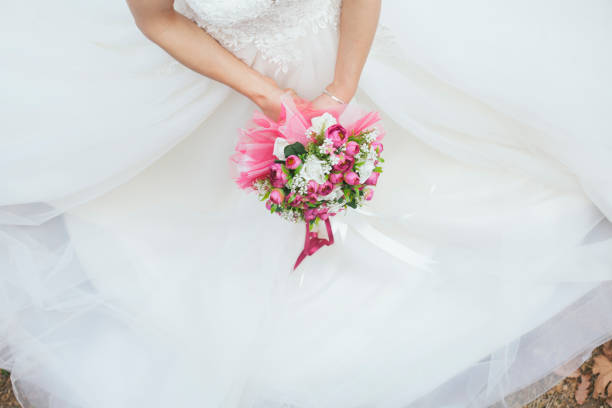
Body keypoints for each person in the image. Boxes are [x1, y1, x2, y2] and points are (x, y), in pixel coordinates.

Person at [1, 1, 611, 407]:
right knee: (152, 214)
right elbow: (159, 18)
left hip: (352, 48)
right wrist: (268, 96)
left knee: (506, 184)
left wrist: (341, 91)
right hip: (232, 76)